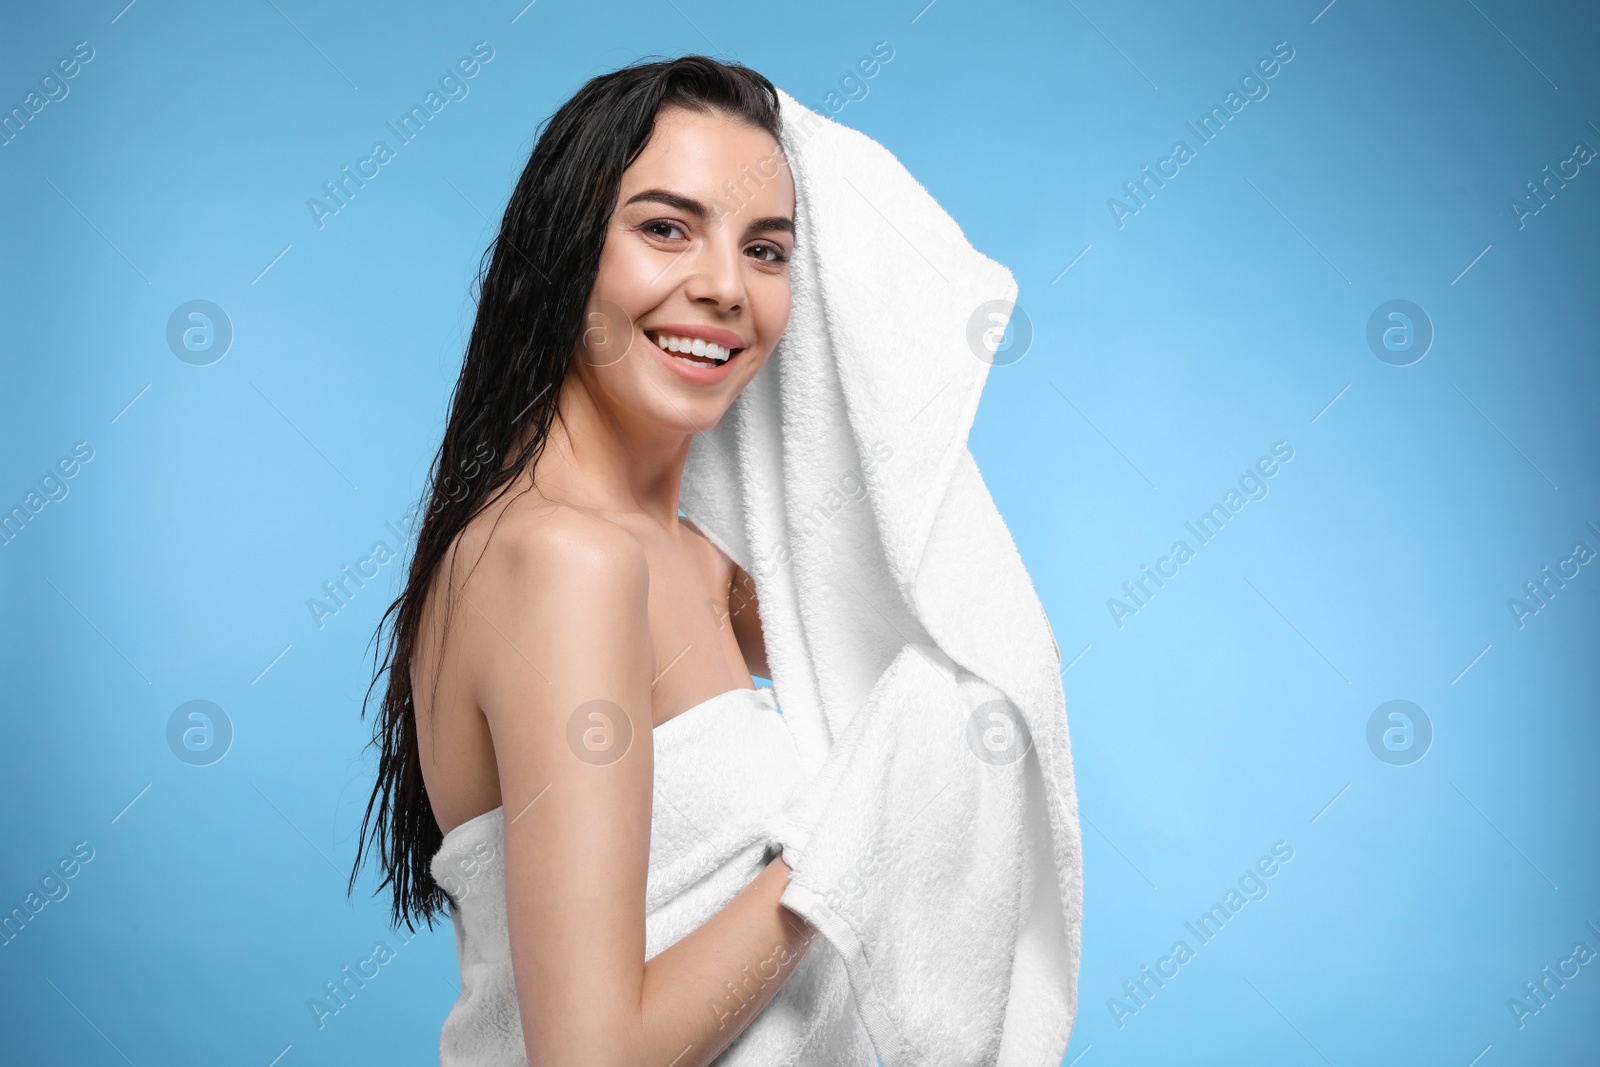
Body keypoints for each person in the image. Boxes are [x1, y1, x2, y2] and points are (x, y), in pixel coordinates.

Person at [346, 56, 877, 1065]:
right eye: (665, 227)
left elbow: (910, 657)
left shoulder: (699, 561)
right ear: (564, 249)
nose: (724, 286)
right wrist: (843, 850)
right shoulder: (564, 559)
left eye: (766, 248)